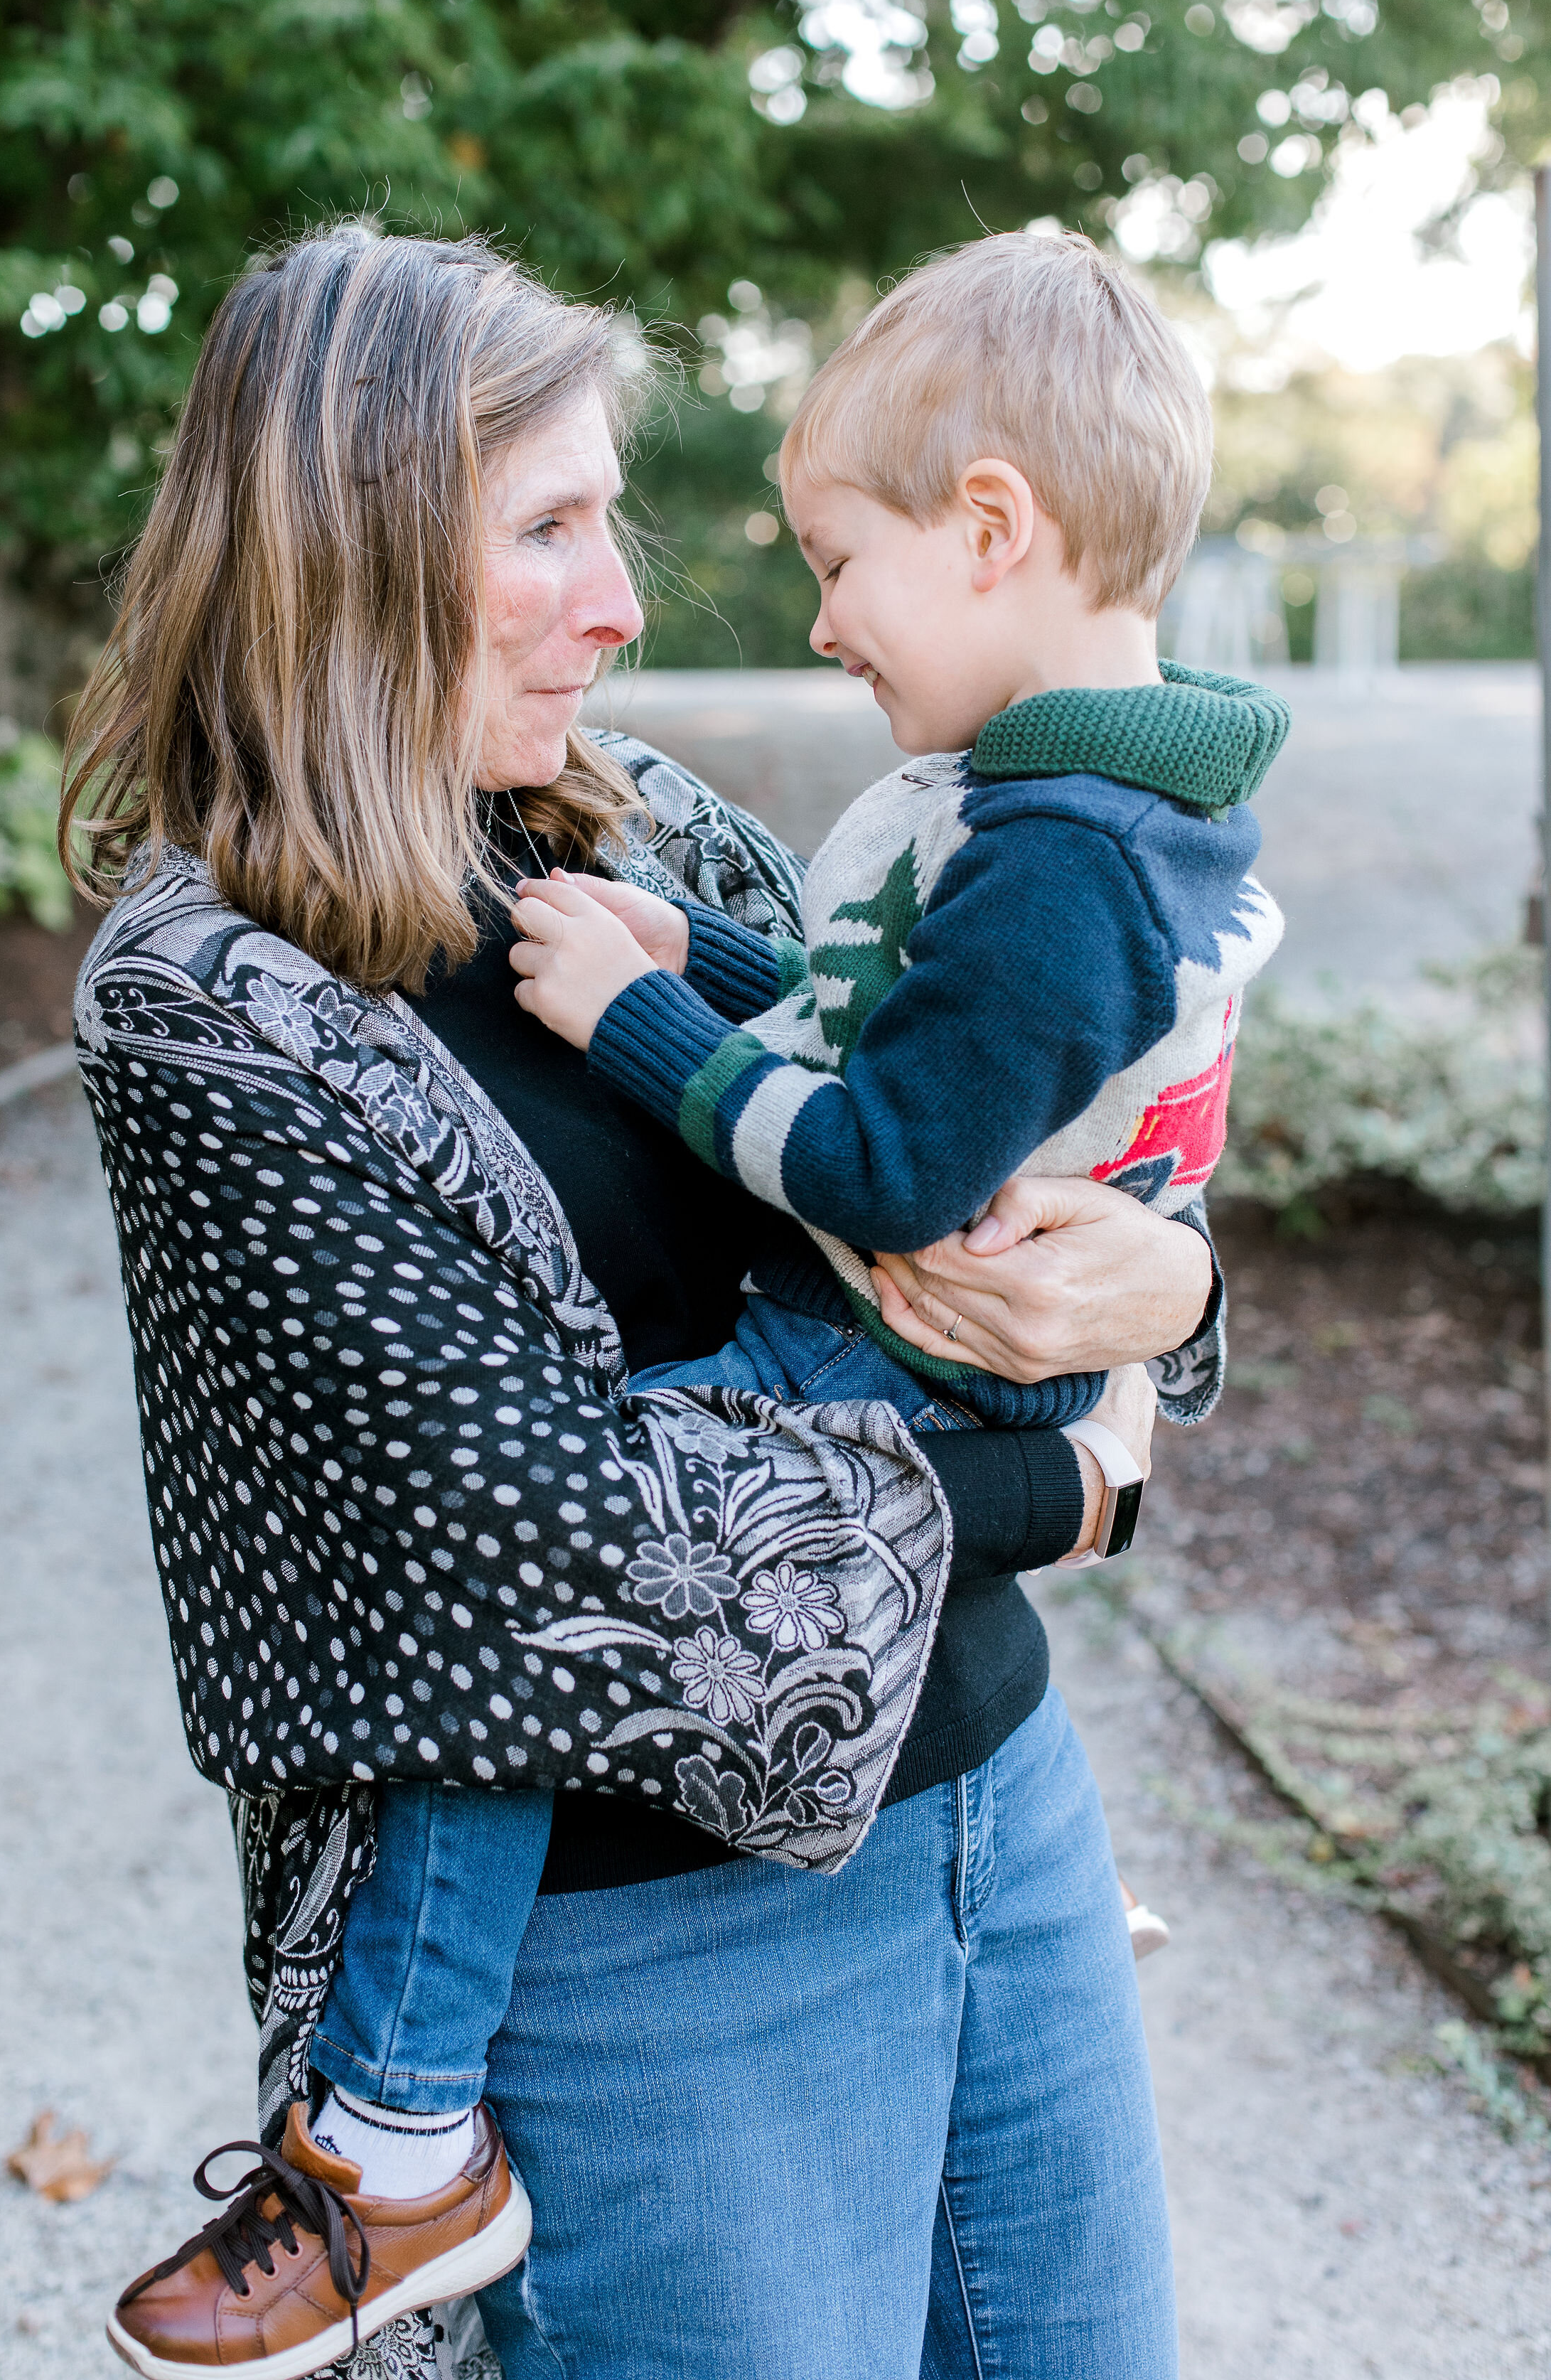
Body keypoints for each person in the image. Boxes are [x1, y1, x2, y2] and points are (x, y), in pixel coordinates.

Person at [68, 220, 1222, 2380]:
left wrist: (1172, 1277)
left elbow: (944, 1142)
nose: (623, 601)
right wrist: (1062, 1492)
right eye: (549, 527)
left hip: (995, 1817)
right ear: (347, 537)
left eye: (616, 516)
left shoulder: (648, 830)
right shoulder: (211, 1001)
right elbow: (556, 1544)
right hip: (641, 1953)